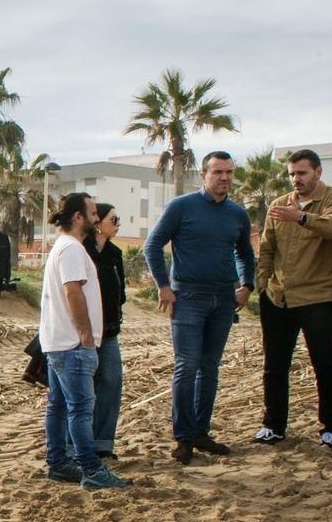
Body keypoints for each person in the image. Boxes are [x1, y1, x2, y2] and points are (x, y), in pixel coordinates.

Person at [144, 150, 255, 465]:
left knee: (210, 367)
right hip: (188, 297)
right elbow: (152, 245)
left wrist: (247, 285)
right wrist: (163, 286)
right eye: (218, 172)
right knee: (187, 365)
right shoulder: (181, 207)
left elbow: (245, 253)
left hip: (224, 298)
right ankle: (183, 437)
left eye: (229, 172)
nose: (224, 178)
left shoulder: (237, 214)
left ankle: (201, 432)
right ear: (203, 175)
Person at [253, 148, 332, 449]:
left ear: (318, 172)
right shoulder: (279, 205)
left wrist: (302, 217)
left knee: (324, 363)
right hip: (279, 297)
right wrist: (263, 285)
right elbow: (267, 248)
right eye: (292, 174)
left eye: (302, 173)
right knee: (275, 365)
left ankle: (331, 428)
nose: (296, 179)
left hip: (319, 297)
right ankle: (274, 425)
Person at [40, 192, 130, 491]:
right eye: (92, 213)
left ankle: (58, 463)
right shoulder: (72, 250)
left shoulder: (64, 247)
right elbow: (73, 291)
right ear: (78, 217)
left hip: (59, 341)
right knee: (80, 409)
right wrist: (87, 336)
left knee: (59, 405)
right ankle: (91, 469)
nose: (97, 218)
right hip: (72, 344)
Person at [87, 203, 127, 460]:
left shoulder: (114, 253)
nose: (118, 222)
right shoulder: (82, 251)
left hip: (110, 332)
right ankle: (78, 444)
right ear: (97, 222)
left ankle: (103, 444)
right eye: (114, 218)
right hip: (85, 332)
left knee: (111, 382)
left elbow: (121, 289)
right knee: (84, 389)